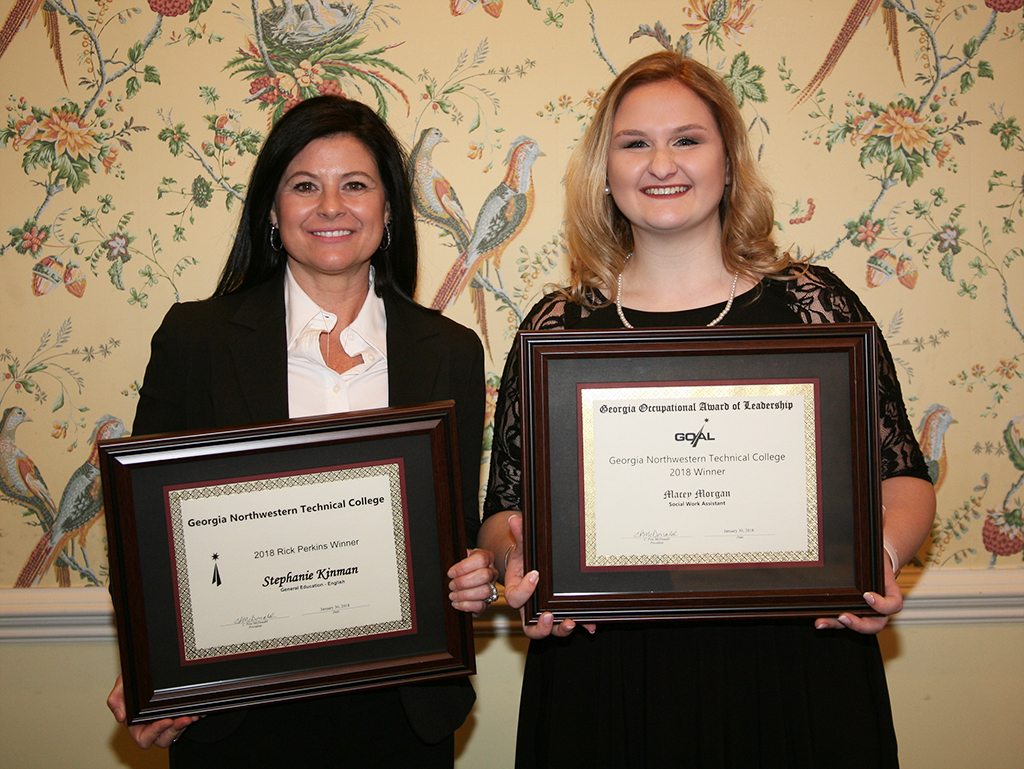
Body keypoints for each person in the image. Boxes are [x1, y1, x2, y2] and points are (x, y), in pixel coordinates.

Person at [446, 52, 936, 767]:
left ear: (729, 161)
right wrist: (517, 559)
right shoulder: (558, 328)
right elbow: (504, 509)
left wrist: (881, 557)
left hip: (794, 662)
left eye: (687, 139)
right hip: (606, 670)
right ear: (605, 174)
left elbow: (904, 479)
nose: (660, 163)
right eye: (635, 143)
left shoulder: (811, 306)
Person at [106, 95, 494, 768]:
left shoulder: (450, 351)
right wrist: (151, 666)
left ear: (390, 209)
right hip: (238, 713)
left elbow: (453, 531)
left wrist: (473, 577)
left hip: (401, 711)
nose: (331, 207)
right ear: (272, 209)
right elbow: (142, 533)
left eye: (355, 185)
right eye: (305, 185)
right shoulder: (195, 340)